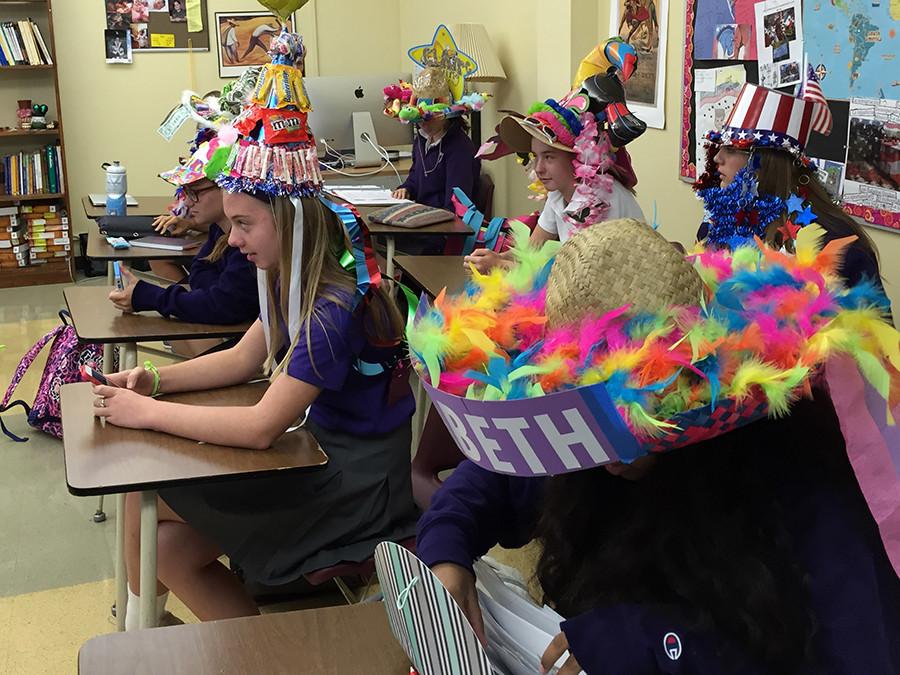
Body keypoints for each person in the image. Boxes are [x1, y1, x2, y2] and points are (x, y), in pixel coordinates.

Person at [409, 220, 900, 674]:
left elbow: (854, 657)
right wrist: (446, 555)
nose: (616, 456)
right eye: (598, 424)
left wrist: (654, 641)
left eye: (644, 425)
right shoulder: (586, 459)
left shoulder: (806, 481)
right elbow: (489, 481)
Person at [91, 28, 418, 628]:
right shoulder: (289, 279)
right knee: (162, 544)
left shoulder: (332, 307)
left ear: (289, 223)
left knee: (150, 497)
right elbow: (244, 361)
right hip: (319, 454)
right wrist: (156, 385)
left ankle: (144, 638)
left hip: (352, 488)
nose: (232, 240)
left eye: (244, 224)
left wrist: (147, 415)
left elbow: (262, 427)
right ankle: (209, 647)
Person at [463, 37, 648, 273]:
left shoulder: (596, 199)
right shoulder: (559, 195)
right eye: (536, 157)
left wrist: (500, 266)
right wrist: (495, 257)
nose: (538, 168)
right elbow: (532, 251)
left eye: (549, 157)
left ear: (577, 159)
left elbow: (573, 276)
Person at [695, 80, 884, 292]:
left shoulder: (836, 245)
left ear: (765, 161)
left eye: (731, 150)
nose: (718, 157)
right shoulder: (723, 222)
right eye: (720, 147)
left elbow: (870, 321)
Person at [384, 25, 486, 254]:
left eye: (428, 115)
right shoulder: (422, 138)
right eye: (418, 115)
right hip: (421, 222)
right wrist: (405, 190)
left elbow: (456, 206)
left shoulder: (459, 148)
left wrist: (418, 219)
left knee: (388, 243)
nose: (422, 122)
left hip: (442, 233)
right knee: (376, 236)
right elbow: (415, 177)